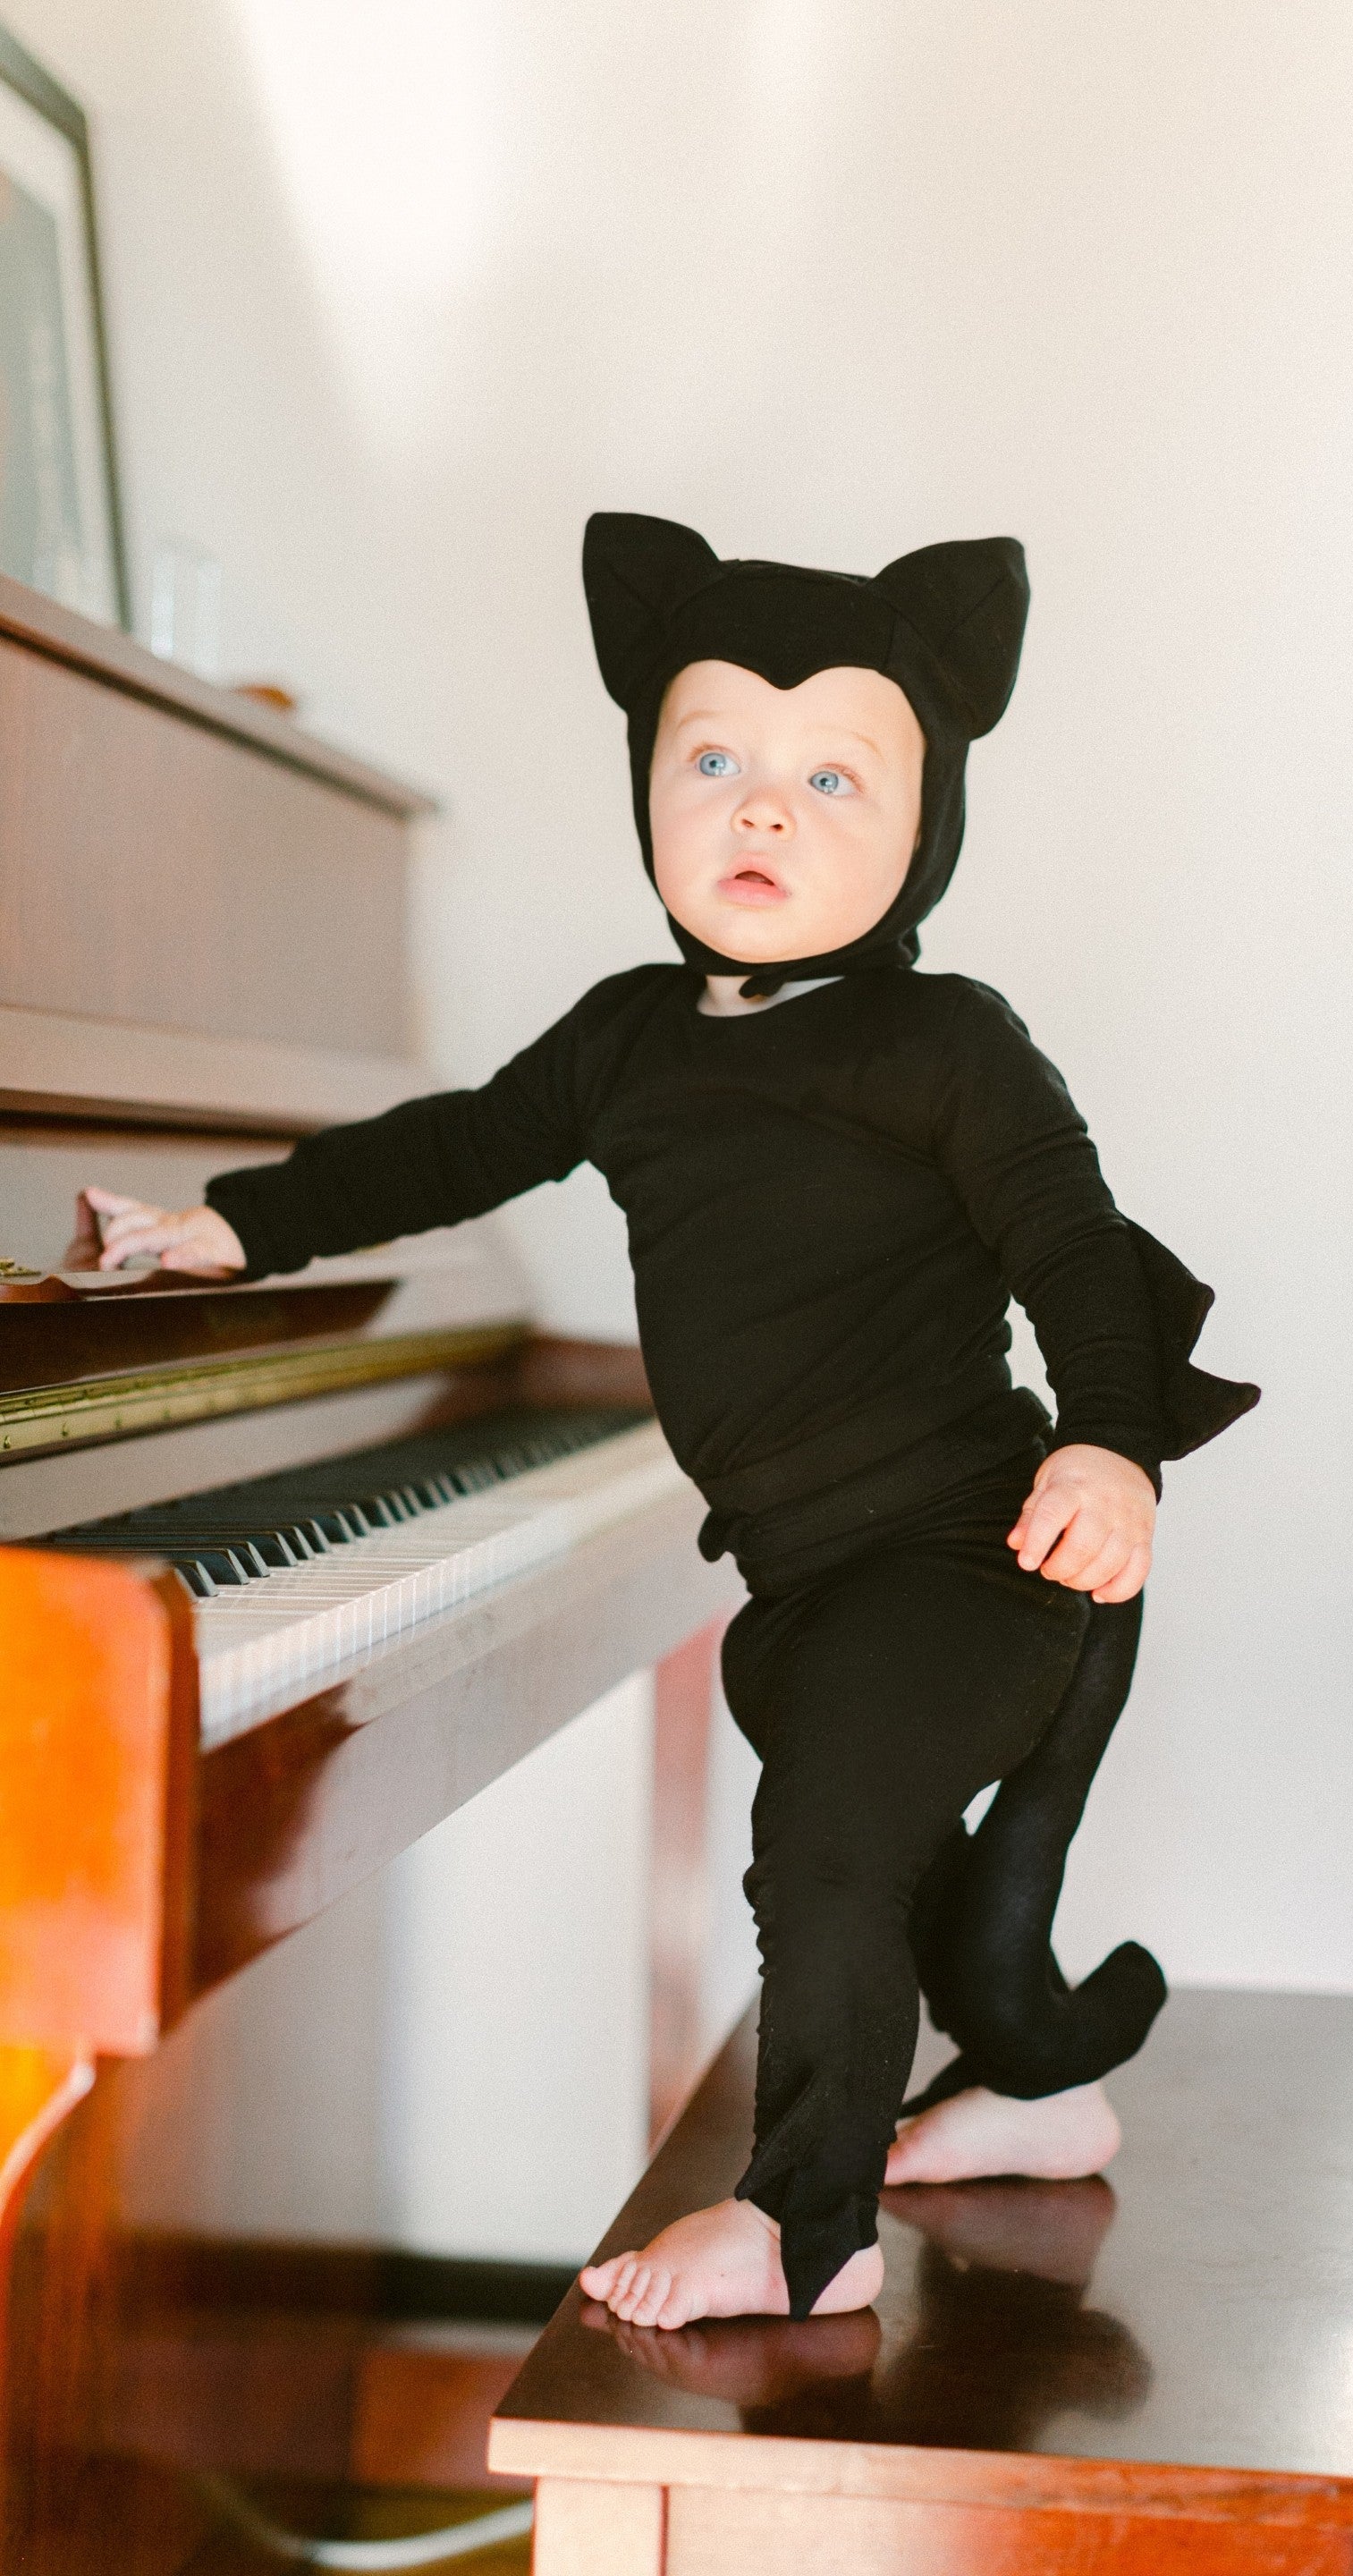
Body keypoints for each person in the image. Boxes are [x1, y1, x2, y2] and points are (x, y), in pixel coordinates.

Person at [79, 514, 1256, 2331]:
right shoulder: (632, 1038)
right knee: (936, 1898)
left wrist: (1111, 1440)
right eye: (714, 760)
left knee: (826, 1854)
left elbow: (1078, 1254)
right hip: (810, 1579)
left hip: (988, 1548)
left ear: (926, 816)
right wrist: (234, 1220)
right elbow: (459, 1144)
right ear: (648, 788)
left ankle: (809, 2228)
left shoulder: (948, 1042)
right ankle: (1036, 2075)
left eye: (829, 775)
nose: (762, 810)